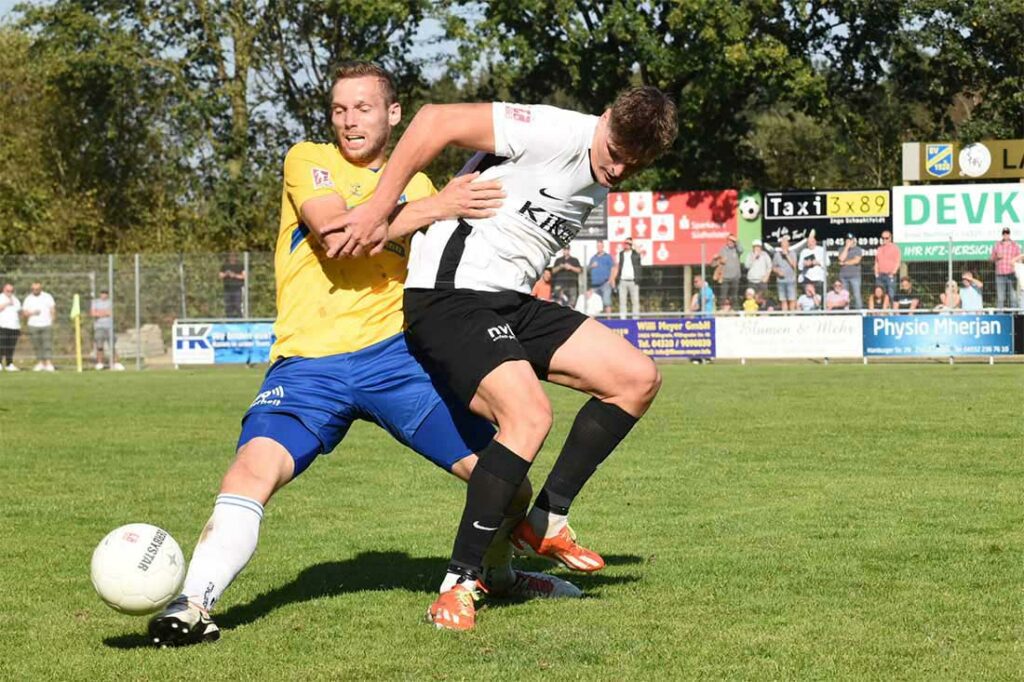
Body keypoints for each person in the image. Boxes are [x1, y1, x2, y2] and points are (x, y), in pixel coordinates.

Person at [147, 61, 579, 647]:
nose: (349, 121)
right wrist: (434, 208)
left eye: (364, 108)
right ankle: (192, 602)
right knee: (253, 469)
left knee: (510, 483)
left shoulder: (424, 185)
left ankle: (498, 577)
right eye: (339, 109)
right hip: (309, 365)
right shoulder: (311, 160)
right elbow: (338, 237)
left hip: (400, 362)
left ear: (393, 114)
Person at [331, 86, 677, 630]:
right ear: (604, 117)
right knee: (529, 415)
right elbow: (434, 119)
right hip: (448, 296)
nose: (618, 168)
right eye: (615, 152)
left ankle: (545, 519)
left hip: (509, 301)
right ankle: (459, 582)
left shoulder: (609, 162)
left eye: (634, 164)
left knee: (636, 377)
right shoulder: (552, 129)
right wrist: (379, 208)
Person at [21, 282, 55, 372]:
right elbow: (24, 313)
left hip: (46, 324)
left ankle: (48, 363)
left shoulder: (47, 296)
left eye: (37, 289)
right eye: (33, 289)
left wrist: (52, 320)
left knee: (47, 345)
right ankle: (40, 363)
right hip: (33, 325)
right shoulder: (28, 299)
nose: (35, 291)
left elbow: (52, 309)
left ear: (41, 289)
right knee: (37, 345)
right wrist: (32, 313)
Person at [90, 290, 124, 371]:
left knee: (112, 346)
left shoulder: (110, 302)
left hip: (109, 327)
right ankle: (99, 363)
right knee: (99, 345)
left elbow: (110, 312)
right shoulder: (95, 302)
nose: (104, 295)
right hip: (99, 327)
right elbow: (93, 313)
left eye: (105, 293)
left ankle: (116, 363)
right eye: (102, 293)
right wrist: (104, 313)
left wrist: (100, 313)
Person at [989, 227, 1020, 309]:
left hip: (1012, 273)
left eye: (1007, 233)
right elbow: (991, 259)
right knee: (1000, 298)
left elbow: (1020, 258)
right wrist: (996, 257)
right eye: (1004, 233)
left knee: (1013, 297)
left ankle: (1015, 316)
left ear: (1009, 234)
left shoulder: (1015, 245)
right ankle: (1000, 316)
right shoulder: (997, 245)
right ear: (1002, 234)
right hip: (1000, 274)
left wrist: (1015, 262)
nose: (1006, 235)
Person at [614, 237, 643, 318]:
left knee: (635, 302)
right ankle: (623, 319)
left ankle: (635, 319)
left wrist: (633, 244)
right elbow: (617, 266)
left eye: (629, 244)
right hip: (623, 281)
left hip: (633, 281)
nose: (627, 245)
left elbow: (639, 253)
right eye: (626, 243)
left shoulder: (635, 254)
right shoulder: (621, 254)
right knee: (622, 302)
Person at [713, 234, 742, 305]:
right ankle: (722, 312)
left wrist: (736, 241)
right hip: (725, 277)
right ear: (727, 241)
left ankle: (735, 312)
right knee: (723, 296)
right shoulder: (723, 249)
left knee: (734, 297)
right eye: (729, 240)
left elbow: (741, 250)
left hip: (735, 277)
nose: (730, 242)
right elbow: (717, 262)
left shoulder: (737, 249)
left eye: (732, 241)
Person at [837, 233, 864, 309]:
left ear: (853, 240)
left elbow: (856, 260)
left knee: (856, 295)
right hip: (843, 277)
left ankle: (859, 312)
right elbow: (841, 258)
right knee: (844, 296)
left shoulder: (858, 249)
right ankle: (846, 312)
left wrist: (845, 263)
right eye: (847, 240)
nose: (849, 241)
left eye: (850, 240)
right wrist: (846, 247)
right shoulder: (841, 249)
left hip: (855, 277)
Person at [588, 240, 615, 314]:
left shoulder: (608, 257)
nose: (599, 247)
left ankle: (609, 321)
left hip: (605, 283)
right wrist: (591, 266)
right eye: (598, 246)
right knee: (595, 304)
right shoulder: (593, 258)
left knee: (607, 302)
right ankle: (596, 322)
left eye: (600, 246)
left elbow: (613, 268)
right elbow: (588, 270)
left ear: (603, 246)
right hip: (594, 285)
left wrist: (611, 279)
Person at [771, 236, 798, 311]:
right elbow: (773, 267)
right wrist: (777, 271)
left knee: (792, 299)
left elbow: (794, 266)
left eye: (785, 244)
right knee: (783, 300)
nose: (784, 246)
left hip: (791, 281)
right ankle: (785, 316)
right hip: (780, 281)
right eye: (782, 244)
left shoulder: (793, 253)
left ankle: (792, 316)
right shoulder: (777, 255)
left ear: (788, 245)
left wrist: (786, 255)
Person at [874, 230, 900, 301]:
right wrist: (876, 273)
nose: (884, 240)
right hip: (880, 276)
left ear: (890, 238)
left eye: (886, 238)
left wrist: (893, 273)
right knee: (879, 296)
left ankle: (891, 311)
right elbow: (876, 262)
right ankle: (881, 311)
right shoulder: (879, 248)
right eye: (883, 238)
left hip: (890, 275)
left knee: (891, 294)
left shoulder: (895, 248)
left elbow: (897, 261)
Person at [0, 283, 21, 371]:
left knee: (11, 347)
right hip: (3, 326)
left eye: (11, 291)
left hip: (14, 327)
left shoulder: (15, 299)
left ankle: (9, 364)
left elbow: (19, 310)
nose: (10, 292)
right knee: (1, 346)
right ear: (3, 290)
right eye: (8, 290)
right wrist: (7, 303)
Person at [219, 253, 246, 318]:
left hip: (237, 289)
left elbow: (244, 276)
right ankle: (229, 319)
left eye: (233, 257)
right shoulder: (225, 265)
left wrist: (234, 275)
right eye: (231, 257)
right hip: (227, 289)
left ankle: (240, 319)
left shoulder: (240, 265)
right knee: (228, 306)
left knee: (237, 305)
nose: (232, 258)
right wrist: (226, 274)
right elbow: (220, 275)